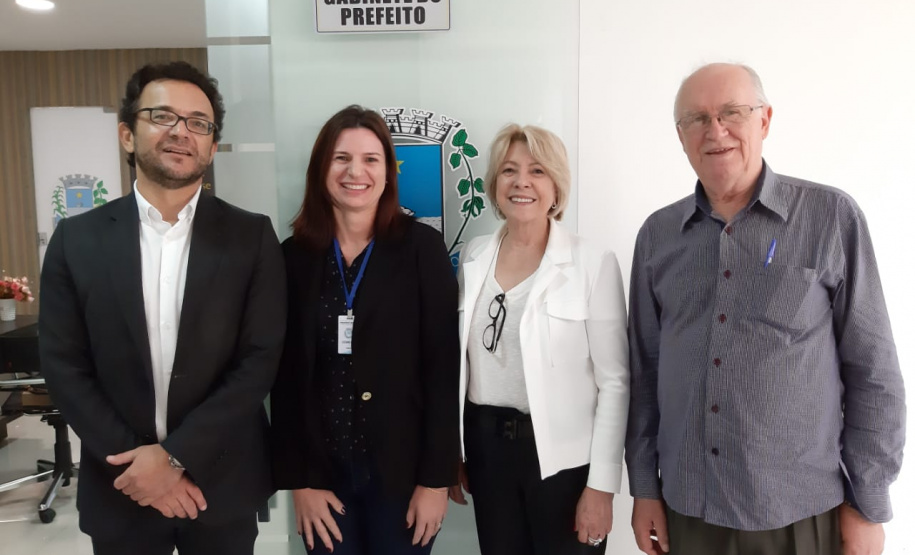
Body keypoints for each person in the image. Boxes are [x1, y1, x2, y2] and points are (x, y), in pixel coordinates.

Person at [625, 62, 906, 555]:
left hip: (798, 513)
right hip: (689, 508)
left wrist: (867, 504)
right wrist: (645, 486)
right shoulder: (657, 236)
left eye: (732, 112)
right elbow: (645, 374)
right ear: (680, 135)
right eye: (697, 119)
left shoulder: (830, 218)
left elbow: (874, 372)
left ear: (765, 120)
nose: (716, 131)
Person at [38, 61, 286, 555]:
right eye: (162, 116)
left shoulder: (251, 236)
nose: (181, 132)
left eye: (199, 123)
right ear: (128, 135)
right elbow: (64, 365)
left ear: (212, 147)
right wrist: (142, 468)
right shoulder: (76, 239)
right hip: (120, 483)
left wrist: (173, 459)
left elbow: (259, 360)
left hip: (220, 482)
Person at [270, 105, 460, 555]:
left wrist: (436, 480)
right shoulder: (292, 258)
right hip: (323, 481)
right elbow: (285, 378)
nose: (356, 171)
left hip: (402, 478)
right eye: (341, 158)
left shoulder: (422, 250)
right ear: (321, 168)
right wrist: (299, 482)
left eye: (371, 159)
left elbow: (443, 369)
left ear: (388, 173)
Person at [449, 123, 630, 555]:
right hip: (487, 452)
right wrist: (456, 451)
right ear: (494, 185)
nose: (521, 182)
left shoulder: (591, 263)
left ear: (556, 186)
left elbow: (616, 383)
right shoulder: (474, 256)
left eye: (537, 171)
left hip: (562, 461)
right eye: (509, 171)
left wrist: (601, 487)